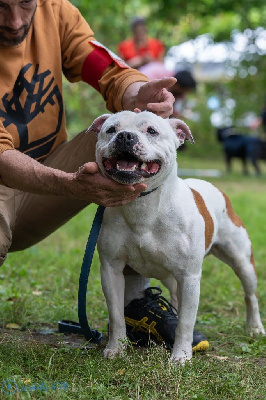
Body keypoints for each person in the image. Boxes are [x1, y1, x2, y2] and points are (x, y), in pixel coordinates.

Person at [0, 0, 208, 351]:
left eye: (25, 3)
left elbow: (103, 66)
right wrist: (67, 184)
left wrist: (136, 94)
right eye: (1, 8)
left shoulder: (56, 11)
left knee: (119, 141)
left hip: (49, 161)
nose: (16, 21)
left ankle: (135, 301)